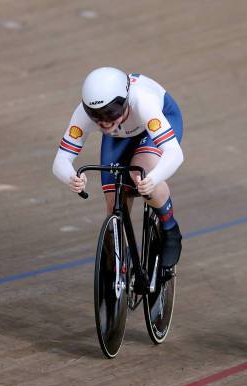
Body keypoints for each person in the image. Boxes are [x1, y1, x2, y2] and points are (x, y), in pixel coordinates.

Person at [52, 67, 183, 274]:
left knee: (142, 173)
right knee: (114, 206)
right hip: (119, 136)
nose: (104, 121)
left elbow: (175, 153)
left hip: (155, 124)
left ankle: (170, 229)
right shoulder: (84, 114)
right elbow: (61, 159)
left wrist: (154, 178)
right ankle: (117, 270)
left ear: (125, 100)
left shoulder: (143, 101)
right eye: (96, 116)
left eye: (111, 112)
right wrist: (71, 177)